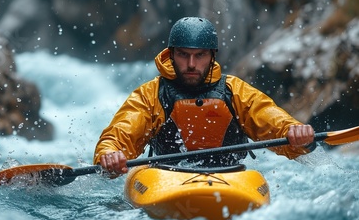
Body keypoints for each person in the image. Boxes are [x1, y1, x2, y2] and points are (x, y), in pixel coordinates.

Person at [93, 17, 315, 176]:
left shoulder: (233, 90)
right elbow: (121, 131)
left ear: (212, 56)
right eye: (183, 55)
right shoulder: (151, 94)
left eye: (200, 55)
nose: (191, 64)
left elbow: (269, 117)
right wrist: (110, 154)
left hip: (231, 176)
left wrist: (293, 131)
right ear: (171, 55)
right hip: (165, 177)